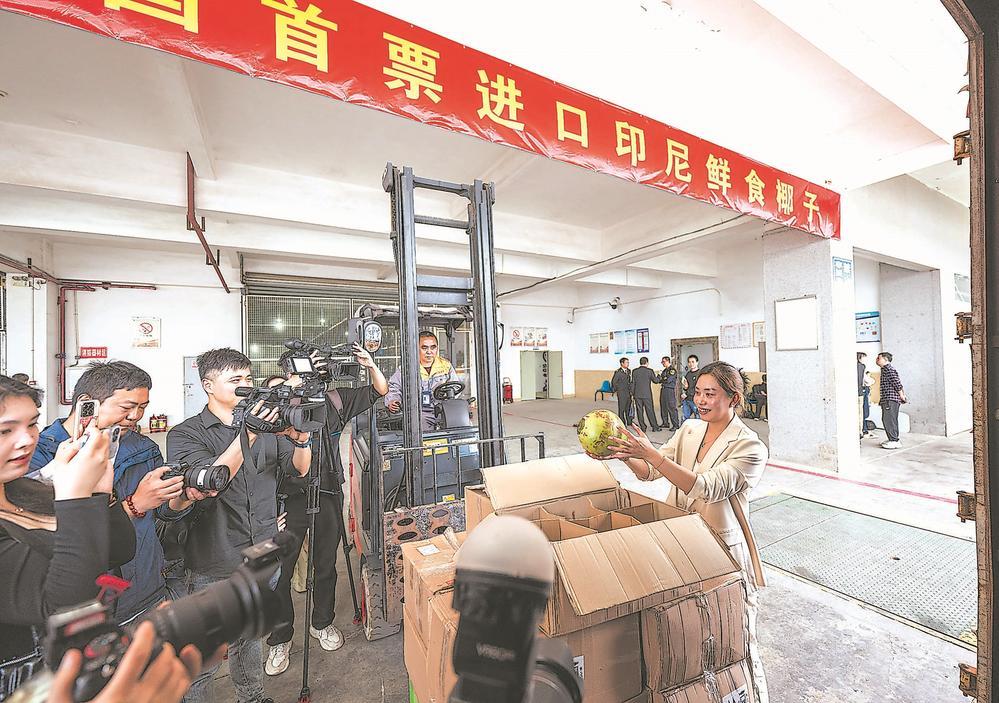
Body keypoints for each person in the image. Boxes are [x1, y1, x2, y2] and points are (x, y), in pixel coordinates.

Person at [603, 361, 769, 703]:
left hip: (719, 552)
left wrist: (652, 455)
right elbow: (650, 472)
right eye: (697, 393)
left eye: (711, 394)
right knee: (686, 635)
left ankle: (750, 695)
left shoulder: (750, 447)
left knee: (736, 636)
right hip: (678, 545)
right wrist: (624, 454)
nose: (701, 400)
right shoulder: (690, 429)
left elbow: (706, 487)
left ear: (734, 398)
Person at [166, 348, 311, 703]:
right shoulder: (186, 434)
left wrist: (302, 438)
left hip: (262, 554)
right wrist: (248, 432)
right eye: (235, 380)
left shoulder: (266, 430)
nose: (245, 386)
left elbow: (299, 469)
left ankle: (253, 696)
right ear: (208, 385)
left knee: (249, 638)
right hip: (213, 563)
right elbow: (210, 482)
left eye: (248, 378)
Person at [0, 376, 136, 699]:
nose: (26, 440)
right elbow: (66, 607)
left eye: (32, 424)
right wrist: (75, 496)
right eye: (6, 431)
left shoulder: (30, 491)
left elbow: (119, 550)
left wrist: (100, 491)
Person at [28, 361, 187, 624]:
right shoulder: (40, 458)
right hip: (82, 606)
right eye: (127, 407)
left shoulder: (144, 448)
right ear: (86, 403)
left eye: (142, 407)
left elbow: (162, 513)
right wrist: (134, 505)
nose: (135, 416)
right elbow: (49, 536)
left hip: (145, 590)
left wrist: (183, 497)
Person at [265, 343, 387, 677]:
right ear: (289, 373)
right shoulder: (276, 402)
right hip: (287, 498)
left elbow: (378, 391)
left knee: (325, 565)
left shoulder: (333, 400)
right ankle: (280, 638)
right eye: (304, 369)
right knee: (279, 572)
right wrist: (291, 388)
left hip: (328, 491)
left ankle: (322, 623)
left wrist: (370, 364)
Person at [385, 331, 461, 431]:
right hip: (419, 412)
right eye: (424, 348)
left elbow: (456, 387)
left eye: (433, 347)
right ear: (416, 348)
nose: (429, 352)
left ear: (437, 348)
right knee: (421, 426)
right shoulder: (407, 368)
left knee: (461, 422)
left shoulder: (446, 366)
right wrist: (393, 400)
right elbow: (394, 387)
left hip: (444, 409)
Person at [876, 352, 906, 449]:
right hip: (887, 399)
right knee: (888, 419)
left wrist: (902, 395)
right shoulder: (885, 369)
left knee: (890, 420)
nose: (876, 360)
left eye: (879, 358)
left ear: (885, 359)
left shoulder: (888, 369)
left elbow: (897, 383)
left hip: (890, 399)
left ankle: (894, 440)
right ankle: (892, 439)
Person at [631, 357, 659, 432]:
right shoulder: (650, 371)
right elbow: (656, 381)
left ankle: (643, 427)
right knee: (650, 410)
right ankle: (654, 427)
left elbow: (633, 383)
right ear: (647, 363)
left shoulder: (634, 371)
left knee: (639, 411)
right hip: (647, 395)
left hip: (637, 394)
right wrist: (659, 376)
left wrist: (632, 393)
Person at [656, 356, 680, 431]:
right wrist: (661, 377)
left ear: (668, 361)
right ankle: (665, 423)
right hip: (663, 389)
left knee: (671, 407)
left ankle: (675, 425)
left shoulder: (672, 370)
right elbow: (659, 380)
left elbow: (668, 380)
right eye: (662, 362)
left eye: (663, 362)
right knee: (663, 407)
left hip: (669, 390)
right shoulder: (664, 371)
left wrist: (662, 378)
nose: (662, 363)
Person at [611, 358, 633, 424]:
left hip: (628, 392)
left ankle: (629, 421)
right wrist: (618, 389)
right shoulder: (618, 372)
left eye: (628, 362)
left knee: (628, 408)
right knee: (622, 408)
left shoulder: (629, 371)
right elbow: (614, 382)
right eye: (626, 362)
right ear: (622, 363)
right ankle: (622, 422)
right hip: (622, 393)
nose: (628, 364)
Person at [681, 355, 701, 421]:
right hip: (687, 400)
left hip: (695, 400)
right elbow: (687, 387)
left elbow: (698, 388)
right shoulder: (688, 374)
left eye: (693, 362)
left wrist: (686, 394)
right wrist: (685, 388)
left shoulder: (700, 374)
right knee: (685, 418)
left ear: (697, 362)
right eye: (689, 362)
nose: (691, 364)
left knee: (698, 418)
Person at [857, 352, 867, 440]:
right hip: (859, 392)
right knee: (860, 413)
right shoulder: (862, 366)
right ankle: (859, 432)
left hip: (849, 393)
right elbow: (866, 380)